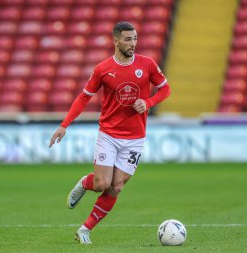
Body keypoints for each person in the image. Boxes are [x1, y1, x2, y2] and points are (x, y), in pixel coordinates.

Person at [49, 21, 171, 244]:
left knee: (116, 186)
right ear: (115, 41)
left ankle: (84, 230)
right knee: (102, 184)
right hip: (109, 135)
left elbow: (165, 89)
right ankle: (86, 183)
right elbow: (84, 96)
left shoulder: (147, 64)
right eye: (127, 39)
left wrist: (149, 101)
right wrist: (64, 124)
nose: (133, 43)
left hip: (135, 138)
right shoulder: (103, 69)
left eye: (135, 38)